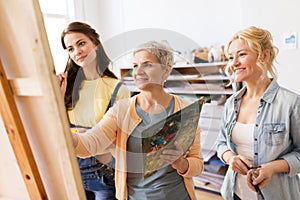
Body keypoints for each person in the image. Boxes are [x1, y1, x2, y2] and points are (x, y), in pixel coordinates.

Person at [71, 41, 204, 200]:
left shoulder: (185, 109)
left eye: (147, 64)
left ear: (166, 70)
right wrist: (67, 136)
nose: (138, 71)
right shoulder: (121, 111)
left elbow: (197, 163)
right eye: (135, 65)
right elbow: (90, 144)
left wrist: (182, 163)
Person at [216, 26, 300, 200]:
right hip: (235, 193)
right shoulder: (231, 103)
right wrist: (231, 158)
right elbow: (221, 143)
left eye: (242, 54)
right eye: (231, 57)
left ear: (265, 55)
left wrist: (272, 168)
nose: (234, 63)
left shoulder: (291, 103)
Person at [58, 21, 130, 200]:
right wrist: (57, 97)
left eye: (81, 43)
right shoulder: (65, 86)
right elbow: (53, 130)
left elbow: (122, 138)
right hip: (71, 169)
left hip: (103, 173)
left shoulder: (117, 88)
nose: (77, 52)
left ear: (95, 44)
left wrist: (87, 137)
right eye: (70, 48)